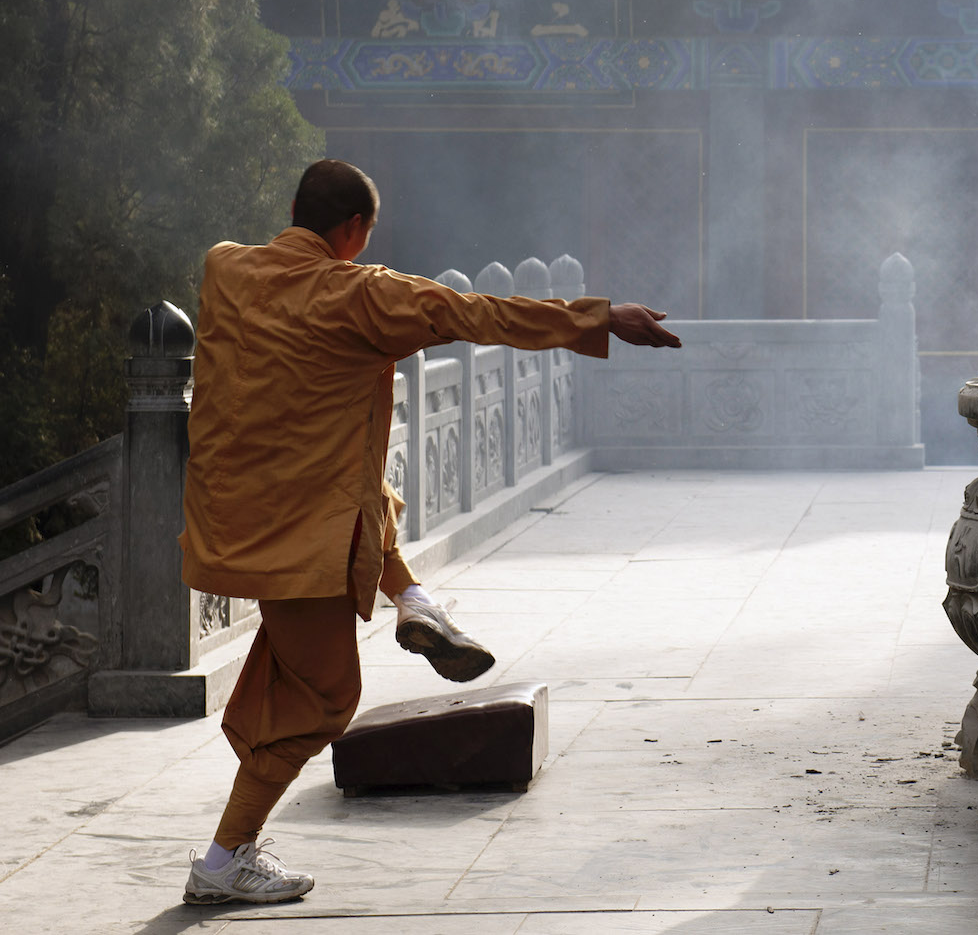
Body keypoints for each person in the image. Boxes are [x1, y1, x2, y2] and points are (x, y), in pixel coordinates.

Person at [178, 159, 680, 905]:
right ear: (354, 231)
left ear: (294, 209)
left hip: (239, 516)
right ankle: (225, 858)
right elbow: (475, 312)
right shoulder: (363, 293)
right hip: (306, 543)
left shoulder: (225, 269)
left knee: (364, 489)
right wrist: (597, 318)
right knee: (324, 697)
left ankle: (414, 597)